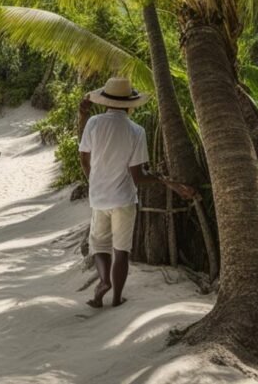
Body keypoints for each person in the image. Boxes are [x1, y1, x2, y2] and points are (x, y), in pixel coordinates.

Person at [78, 77, 196, 309]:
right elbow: (138, 175)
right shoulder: (136, 131)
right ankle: (117, 297)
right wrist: (163, 179)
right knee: (121, 249)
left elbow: (84, 157)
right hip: (123, 198)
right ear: (130, 104)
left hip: (99, 196)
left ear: (106, 101)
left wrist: (93, 179)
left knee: (100, 246)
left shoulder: (93, 123)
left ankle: (103, 281)